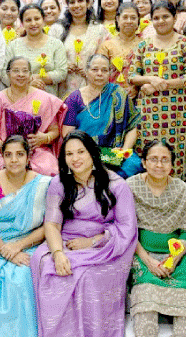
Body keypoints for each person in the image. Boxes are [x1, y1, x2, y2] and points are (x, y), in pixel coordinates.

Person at [31, 131, 137, 337]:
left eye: (81, 152)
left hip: (105, 245)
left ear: (92, 154)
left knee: (87, 277)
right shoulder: (59, 183)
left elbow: (126, 227)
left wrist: (93, 241)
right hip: (65, 242)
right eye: (69, 154)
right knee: (46, 264)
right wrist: (58, 253)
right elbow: (52, 224)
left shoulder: (117, 185)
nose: (75, 158)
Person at [0, 135, 51, 337]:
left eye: (19, 154)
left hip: (30, 244)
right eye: (8, 155)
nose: (14, 160)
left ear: (28, 157)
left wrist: (18, 246)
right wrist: (7, 251)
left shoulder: (42, 184)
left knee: (24, 276)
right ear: (2, 158)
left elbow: (48, 226)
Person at [127, 139, 186, 337]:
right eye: (153, 159)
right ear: (144, 162)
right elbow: (127, 229)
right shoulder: (130, 187)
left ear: (172, 164)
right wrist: (148, 261)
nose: (159, 165)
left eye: (165, 160)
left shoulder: (182, 190)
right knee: (144, 327)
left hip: (177, 256)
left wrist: (173, 259)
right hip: (141, 255)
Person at [129, 0, 186, 182]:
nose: (161, 21)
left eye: (165, 16)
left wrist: (160, 84)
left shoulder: (185, 43)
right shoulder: (143, 45)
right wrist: (150, 79)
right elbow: (132, 76)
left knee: (173, 151)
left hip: (176, 109)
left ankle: (174, 191)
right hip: (147, 109)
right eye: (156, 17)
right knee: (147, 149)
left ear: (175, 18)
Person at [0, 56, 66, 177]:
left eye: (25, 71)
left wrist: (44, 138)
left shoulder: (44, 98)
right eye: (16, 71)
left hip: (36, 150)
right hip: (2, 150)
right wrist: (9, 151)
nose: (21, 74)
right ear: (8, 74)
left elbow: (54, 130)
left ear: (31, 74)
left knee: (48, 169)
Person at [62, 54, 142, 178]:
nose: (99, 73)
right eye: (95, 69)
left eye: (104, 70)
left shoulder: (118, 94)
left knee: (134, 163)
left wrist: (124, 152)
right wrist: (85, 151)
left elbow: (132, 127)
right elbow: (67, 134)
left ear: (109, 73)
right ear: (86, 72)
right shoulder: (74, 99)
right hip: (85, 152)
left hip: (114, 152)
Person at [48, 0, 110, 96]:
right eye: (72, 2)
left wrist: (90, 69)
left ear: (88, 3)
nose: (76, 5)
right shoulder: (57, 29)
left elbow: (106, 59)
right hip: (62, 89)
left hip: (92, 89)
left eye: (80, 1)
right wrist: (63, 66)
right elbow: (48, 57)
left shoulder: (99, 30)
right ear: (67, 5)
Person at [3, 3, 67, 97]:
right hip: (19, 98)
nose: (33, 23)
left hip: (48, 98)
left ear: (43, 20)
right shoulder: (13, 45)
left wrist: (37, 78)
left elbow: (62, 72)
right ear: (22, 23)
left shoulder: (56, 44)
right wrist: (27, 82)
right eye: (28, 20)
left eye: (37, 19)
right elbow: (4, 74)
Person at [98, 3, 142, 97]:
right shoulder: (107, 46)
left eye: (133, 18)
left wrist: (136, 88)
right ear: (118, 19)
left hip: (140, 96)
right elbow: (99, 72)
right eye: (125, 17)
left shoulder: (144, 44)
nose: (129, 21)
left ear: (138, 20)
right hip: (111, 96)